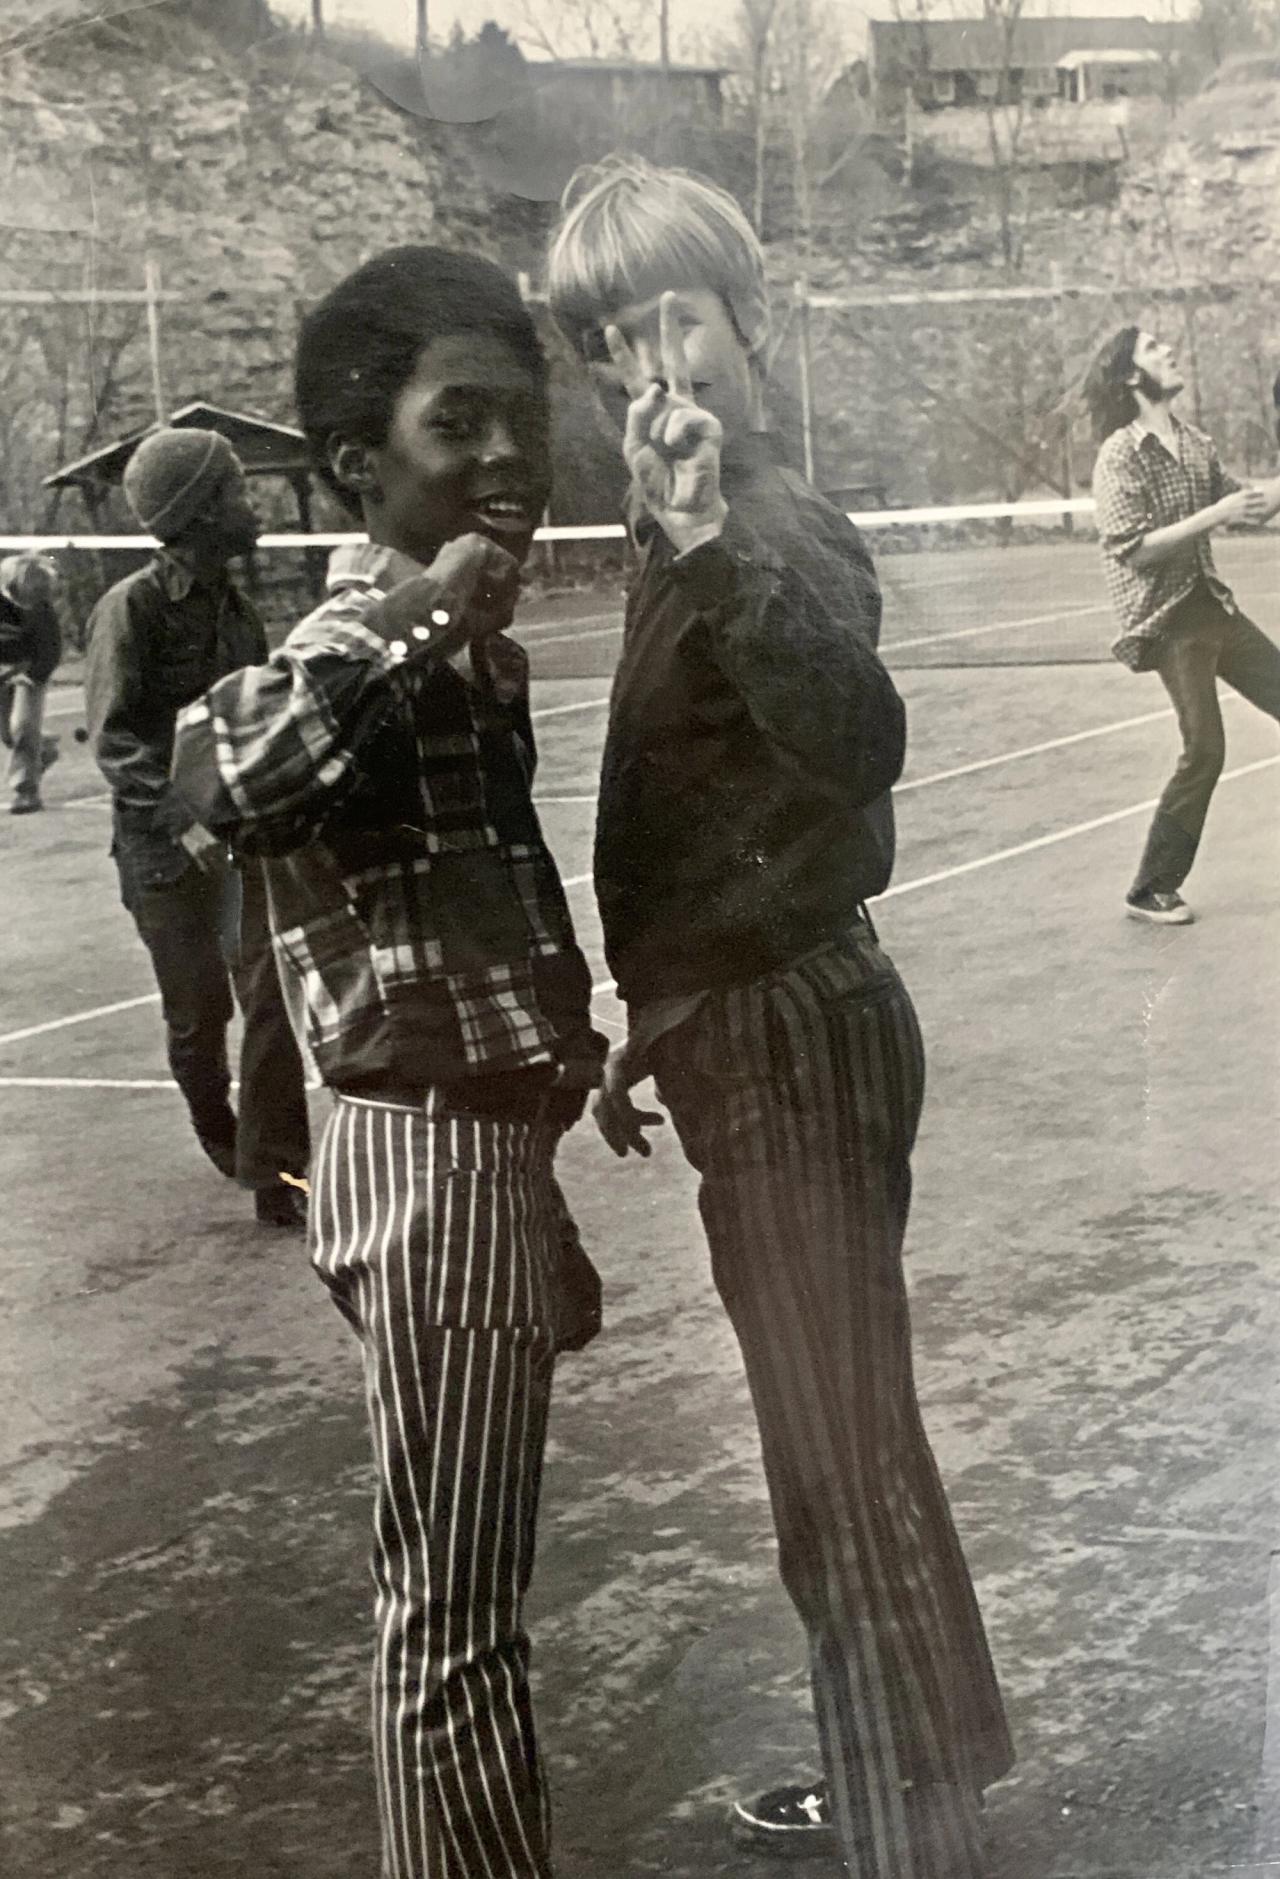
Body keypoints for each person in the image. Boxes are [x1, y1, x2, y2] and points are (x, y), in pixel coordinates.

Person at [547, 156, 1013, 1879]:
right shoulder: (695, 518)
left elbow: (859, 736)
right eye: (615, 338)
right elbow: (697, 819)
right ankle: (924, 1761)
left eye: (678, 317)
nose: (649, 363)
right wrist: (648, 1009)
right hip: (751, 1020)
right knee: (851, 1429)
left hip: (794, 1030)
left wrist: (705, 542)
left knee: (832, 1456)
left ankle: (907, 1828)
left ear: (751, 322)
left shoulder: (759, 520)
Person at [170, 247, 606, 1879]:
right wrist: (428, 608)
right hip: (428, 1160)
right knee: (454, 1626)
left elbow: (479, 915)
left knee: (459, 1604)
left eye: (524, 418)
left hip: (472, 1153)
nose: (507, 454)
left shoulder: (460, 644)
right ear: (361, 463)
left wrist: (549, 1137)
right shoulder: (374, 625)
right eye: (459, 420)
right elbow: (232, 773)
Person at [83, 428, 310, 1228]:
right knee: (199, 1016)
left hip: (238, 842)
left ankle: (275, 1169)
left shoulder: (238, 612)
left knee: (270, 992)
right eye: (238, 489)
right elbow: (114, 738)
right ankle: (219, 1128)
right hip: (162, 851)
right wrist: (183, 820)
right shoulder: (132, 608)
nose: (254, 504)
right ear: (202, 510)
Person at [1086, 326, 1280, 924]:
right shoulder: (1119, 454)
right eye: (1153, 349)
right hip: (1167, 621)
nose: (1168, 351)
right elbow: (1134, 549)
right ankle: (1149, 889)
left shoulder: (1195, 443)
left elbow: (1250, 508)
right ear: (1130, 377)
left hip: (1211, 605)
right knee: (1206, 750)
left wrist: (1244, 503)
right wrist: (1215, 513)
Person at [0, 550, 62, 814]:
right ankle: (43, 749)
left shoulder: (41, 611)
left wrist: (33, 675)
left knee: (23, 726)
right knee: (8, 734)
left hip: (30, 668)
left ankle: (26, 791)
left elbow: (50, 651)